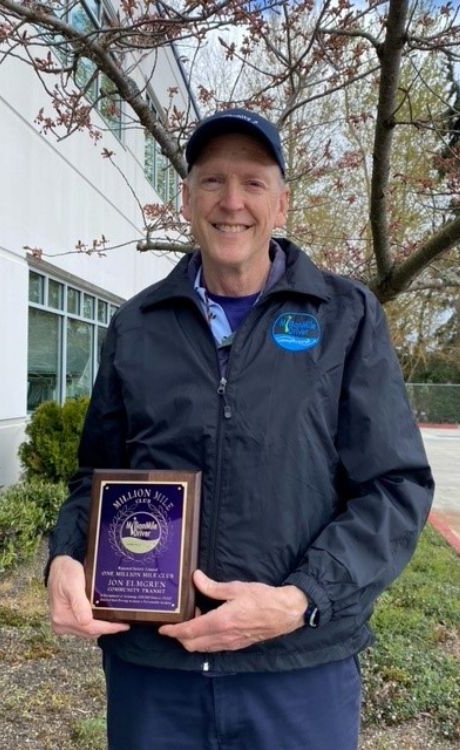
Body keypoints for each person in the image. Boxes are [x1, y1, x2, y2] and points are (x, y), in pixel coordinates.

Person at [47, 109, 434, 750]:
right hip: (155, 674)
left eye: (253, 183)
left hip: (297, 669)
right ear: (186, 199)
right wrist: (64, 555)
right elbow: (96, 476)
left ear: (281, 204)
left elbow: (395, 487)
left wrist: (301, 598)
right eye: (213, 181)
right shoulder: (137, 325)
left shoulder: (346, 318)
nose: (233, 202)